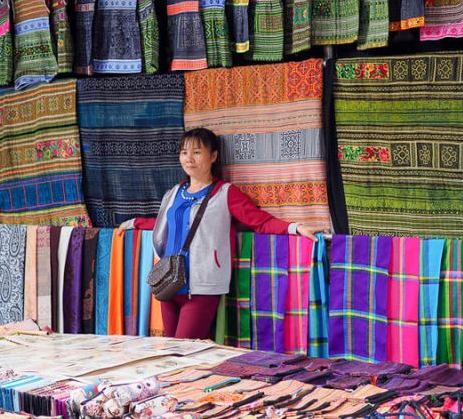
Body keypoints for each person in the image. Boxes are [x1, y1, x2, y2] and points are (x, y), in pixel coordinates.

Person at [120, 127, 324, 339]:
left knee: (185, 350)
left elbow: (258, 221)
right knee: (172, 351)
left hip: (201, 286)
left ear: (214, 156)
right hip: (168, 283)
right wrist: (136, 222)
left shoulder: (226, 193)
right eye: (184, 152)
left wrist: (295, 227)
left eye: (197, 152)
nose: (189, 158)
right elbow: (166, 224)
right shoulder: (173, 193)